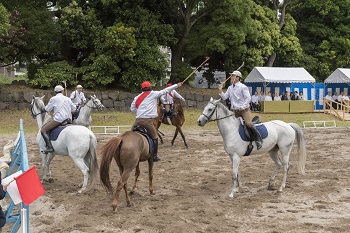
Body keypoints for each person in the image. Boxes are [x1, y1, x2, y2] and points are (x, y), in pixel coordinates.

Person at [130, 81, 183, 162]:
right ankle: (154, 156)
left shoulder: (137, 97)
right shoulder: (153, 94)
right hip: (147, 121)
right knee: (155, 137)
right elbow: (165, 90)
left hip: (137, 121)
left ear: (142, 89)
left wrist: (140, 112)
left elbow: (132, 109)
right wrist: (177, 85)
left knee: (130, 136)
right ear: (150, 88)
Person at [218, 70, 262, 149]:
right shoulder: (230, 88)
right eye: (231, 76)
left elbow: (248, 98)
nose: (231, 77)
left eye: (233, 76)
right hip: (235, 111)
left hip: (244, 110)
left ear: (238, 78)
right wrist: (221, 91)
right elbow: (225, 97)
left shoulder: (243, 87)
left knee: (248, 123)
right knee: (233, 126)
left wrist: (243, 106)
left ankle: (258, 140)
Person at [41, 85, 76, 153]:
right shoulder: (68, 99)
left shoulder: (53, 99)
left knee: (43, 130)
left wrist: (43, 108)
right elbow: (74, 109)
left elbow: (47, 109)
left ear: (55, 91)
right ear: (62, 91)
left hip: (59, 120)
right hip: (68, 120)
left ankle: (49, 147)